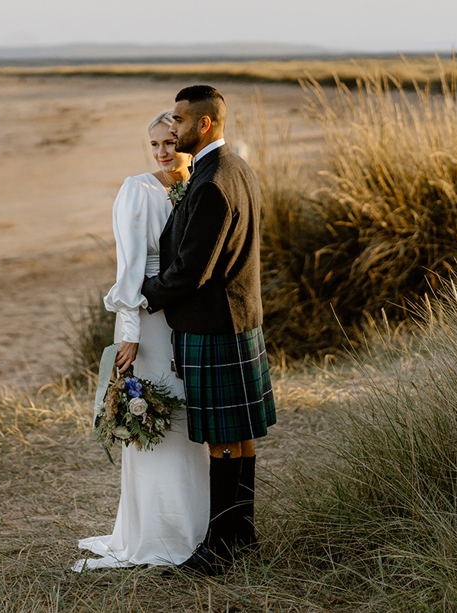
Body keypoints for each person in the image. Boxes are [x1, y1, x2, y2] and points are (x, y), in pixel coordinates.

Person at [141, 85, 276, 577]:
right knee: (238, 436)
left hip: (214, 324)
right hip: (238, 318)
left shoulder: (213, 182)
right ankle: (242, 534)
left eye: (178, 119)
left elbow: (192, 270)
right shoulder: (236, 168)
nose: (171, 128)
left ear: (204, 124)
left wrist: (145, 293)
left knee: (222, 438)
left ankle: (219, 550)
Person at [72, 111, 210, 572]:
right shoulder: (138, 189)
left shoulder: (202, 187)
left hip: (189, 319)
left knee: (189, 418)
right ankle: (156, 531)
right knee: (153, 416)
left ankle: (197, 527)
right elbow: (129, 266)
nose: (163, 152)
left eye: (170, 142)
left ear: (191, 137)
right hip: (146, 321)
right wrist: (128, 331)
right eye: (154, 145)